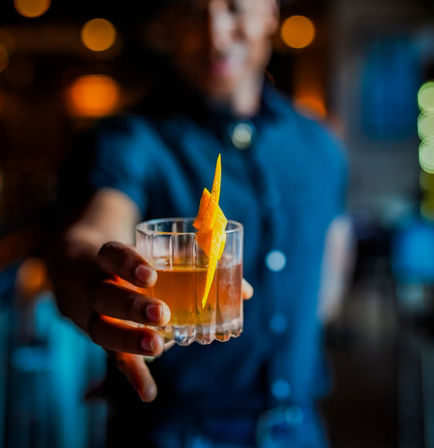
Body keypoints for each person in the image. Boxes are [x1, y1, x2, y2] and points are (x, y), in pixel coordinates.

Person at [48, 0, 349, 446]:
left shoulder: (320, 144)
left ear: (270, 12)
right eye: (192, 12)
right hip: (173, 433)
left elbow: (329, 283)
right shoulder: (130, 139)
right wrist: (99, 286)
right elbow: (91, 232)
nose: (216, 34)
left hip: (300, 429)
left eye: (234, 7)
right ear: (169, 23)